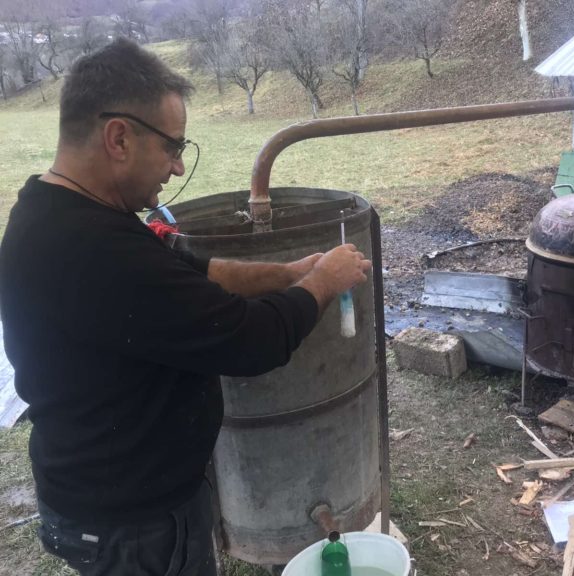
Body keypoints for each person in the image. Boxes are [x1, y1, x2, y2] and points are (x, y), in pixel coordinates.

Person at [0, 38, 372, 576]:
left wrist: (291, 273)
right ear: (119, 137)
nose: (176, 169)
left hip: (124, 498)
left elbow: (195, 274)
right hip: (131, 524)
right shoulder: (89, 249)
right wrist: (322, 284)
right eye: (172, 147)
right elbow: (251, 341)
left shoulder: (63, 209)